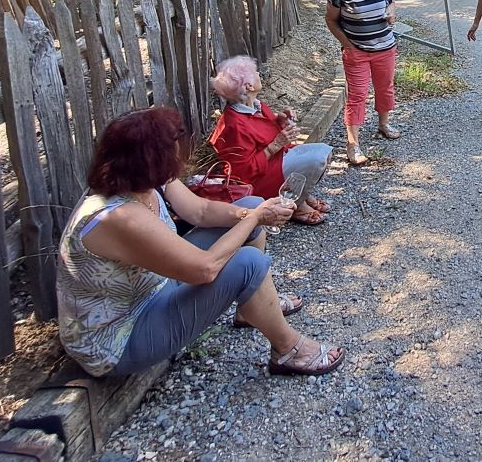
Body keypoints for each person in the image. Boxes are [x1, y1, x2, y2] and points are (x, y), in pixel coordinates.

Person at [57, 107, 345, 379]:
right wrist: (256, 218)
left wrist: (251, 213)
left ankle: (250, 309)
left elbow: (201, 211)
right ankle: (288, 350)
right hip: (118, 339)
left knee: (248, 206)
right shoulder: (118, 217)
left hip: (153, 290)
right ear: (152, 159)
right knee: (248, 261)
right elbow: (204, 270)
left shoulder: (144, 182)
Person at [209, 55, 334, 225]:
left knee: (324, 152)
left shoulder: (255, 106)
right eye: (255, 72)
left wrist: (279, 120)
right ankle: (295, 205)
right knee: (317, 158)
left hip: (276, 162)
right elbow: (243, 173)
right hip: (260, 180)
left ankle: (301, 196)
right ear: (249, 86)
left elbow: (261, 130)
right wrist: (275, 144)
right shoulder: (234, 125)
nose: (258, 74)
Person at [324, 0, 399, 165]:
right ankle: (353, 144)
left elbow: (391, 2)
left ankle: (383, 124)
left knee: (385, 88)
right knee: (357, 95)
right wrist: (347, 44)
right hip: (356, 52)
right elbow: (330, 19)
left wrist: (391, 12)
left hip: (385, 48)